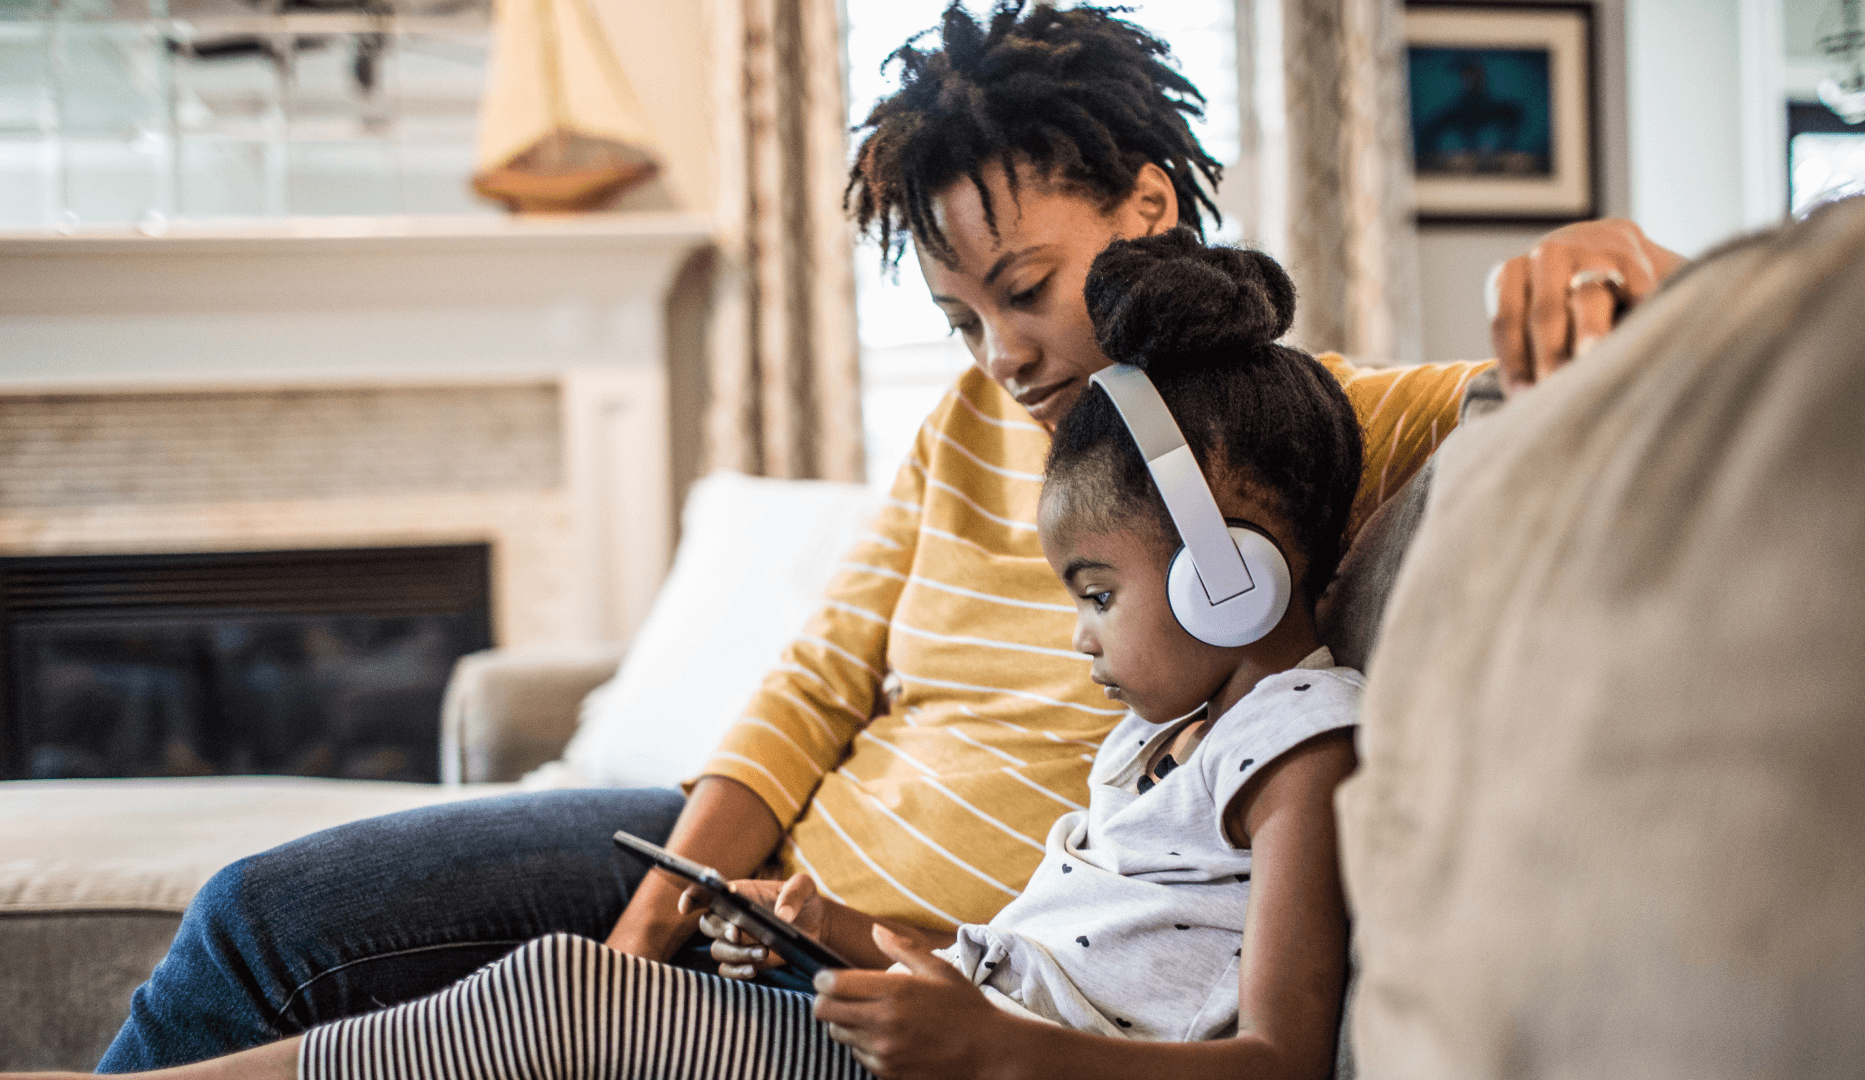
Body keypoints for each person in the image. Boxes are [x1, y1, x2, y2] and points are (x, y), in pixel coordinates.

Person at [95, 3, 1681, 1070]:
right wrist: (662, 911)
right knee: (261, 918)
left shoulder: (1304, 439)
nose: (998, 351)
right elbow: (819, 676)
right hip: (769, 885)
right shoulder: (970, 426)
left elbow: (1559, 393)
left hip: (932, 978)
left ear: (1144, 211)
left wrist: (1628, 270)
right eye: (953, 312)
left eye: (1025, 289)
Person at [34, 229, 1369, 1080]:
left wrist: (994, 1051)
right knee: (318, 927)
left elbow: (1277, 1056)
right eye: (963, 319)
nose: (1001, 356)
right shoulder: (1158, 738)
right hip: (913, 989)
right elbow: (1056, 945)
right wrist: (843, 925)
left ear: (1235, 565)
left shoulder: (1293, 742)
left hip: (976, 1059)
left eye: (1092, 594)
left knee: (563, 1004)